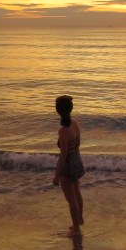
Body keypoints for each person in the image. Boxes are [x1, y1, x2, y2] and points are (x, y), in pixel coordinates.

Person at [53, 95, 85, 237]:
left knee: (71, 199)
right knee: (76, 191)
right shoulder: (75, 123)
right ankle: (78, 220)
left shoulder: (63, 131)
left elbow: (63, 155)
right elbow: (77, 144)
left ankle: (76, 230)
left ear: (58, 111)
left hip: (68, 164)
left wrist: (56, 175)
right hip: (77, 159)